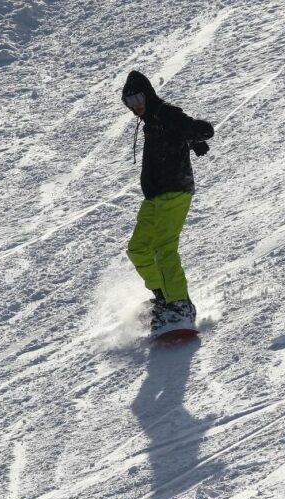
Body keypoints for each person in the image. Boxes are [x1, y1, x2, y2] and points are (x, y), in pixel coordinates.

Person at [121, 70, 214, 333]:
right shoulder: (151, 122)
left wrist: (195, 134)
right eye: (129, 102)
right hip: (154, 197)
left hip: (175, 189)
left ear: (148, 93)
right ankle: (163, 297)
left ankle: (180, 305)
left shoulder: (166, 113)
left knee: (163, 249)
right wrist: (190, 141)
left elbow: (199, 128)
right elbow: (177, 137)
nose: (136, 105)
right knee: (138, 249)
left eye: (138, 98)